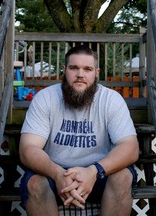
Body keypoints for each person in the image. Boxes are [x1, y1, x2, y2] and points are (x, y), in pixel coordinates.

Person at [19, 45, 139, 216]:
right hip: (54, 173)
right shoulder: (45, 98)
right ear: (64, 70)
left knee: (122, 177)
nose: (80, 75)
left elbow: (130, 147)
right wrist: (58, 174)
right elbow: (27, 149)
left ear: (96, 72)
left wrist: (94, 171)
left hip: (100, 174)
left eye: (87, 69)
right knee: (35, 183)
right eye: (74, 68)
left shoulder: (111, 99)